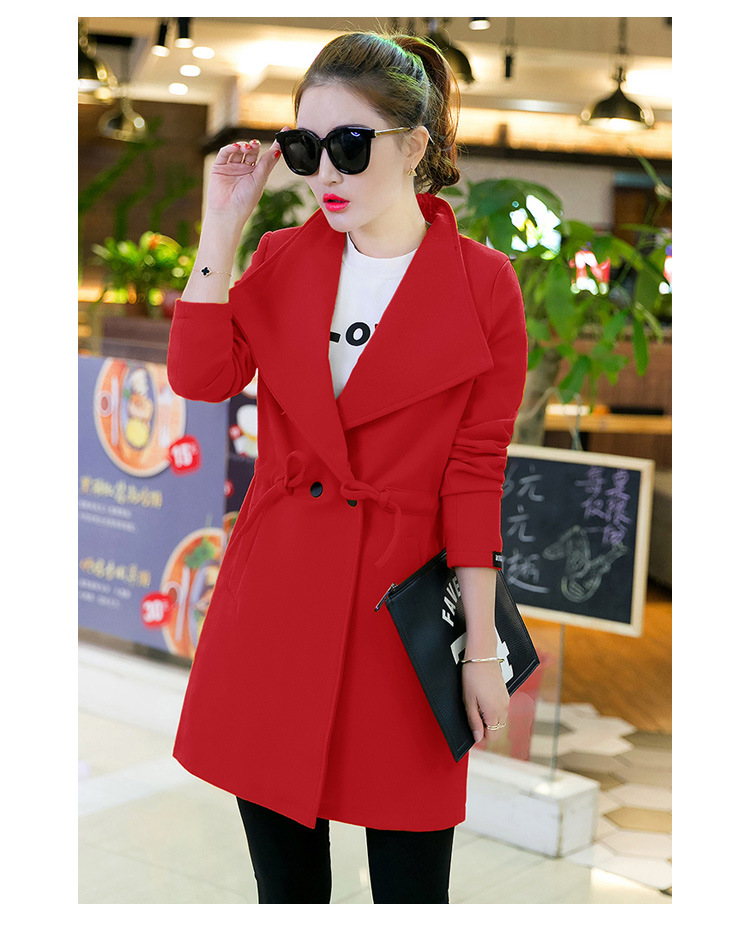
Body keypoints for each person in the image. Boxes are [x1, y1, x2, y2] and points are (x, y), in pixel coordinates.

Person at [166, 31, 528, 904]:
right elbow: (199, 376)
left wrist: (481, 649)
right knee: (287, 892)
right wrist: (224, 224)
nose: (324, 172)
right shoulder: (284, 257)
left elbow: (475, 475)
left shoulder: (484, 285)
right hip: (276, 603)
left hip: (398, 619)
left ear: (413, 145)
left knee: (412, 893)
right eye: (305, 148)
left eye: (350, 145)